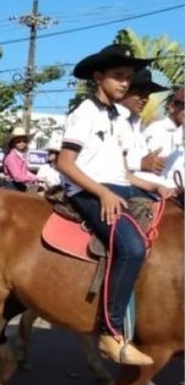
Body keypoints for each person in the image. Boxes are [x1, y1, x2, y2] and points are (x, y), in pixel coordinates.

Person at [57, 44, 174, 367]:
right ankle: (111, 329)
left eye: (127, 77)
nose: (125, 83)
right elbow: (65, 163)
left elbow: (121, 171)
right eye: (118, 77)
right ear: (99, 77)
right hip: (86, 191)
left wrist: (152, 186)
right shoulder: (84, 114)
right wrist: (103, 194)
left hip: (119, 188)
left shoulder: (120, 117)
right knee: (133, 248)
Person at [120, 68, 170, 177]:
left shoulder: (136, 124)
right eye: (139, 93)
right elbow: (103, 160)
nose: (145, 99)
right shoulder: (111, 119)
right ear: (123, 92)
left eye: (147, 95)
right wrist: (140, 163)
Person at [136, 86, 184, 187]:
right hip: (152, 191)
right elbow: (151, 170)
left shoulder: (180, 132)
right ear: (172, 107)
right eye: (183, 106)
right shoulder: (158, 130)